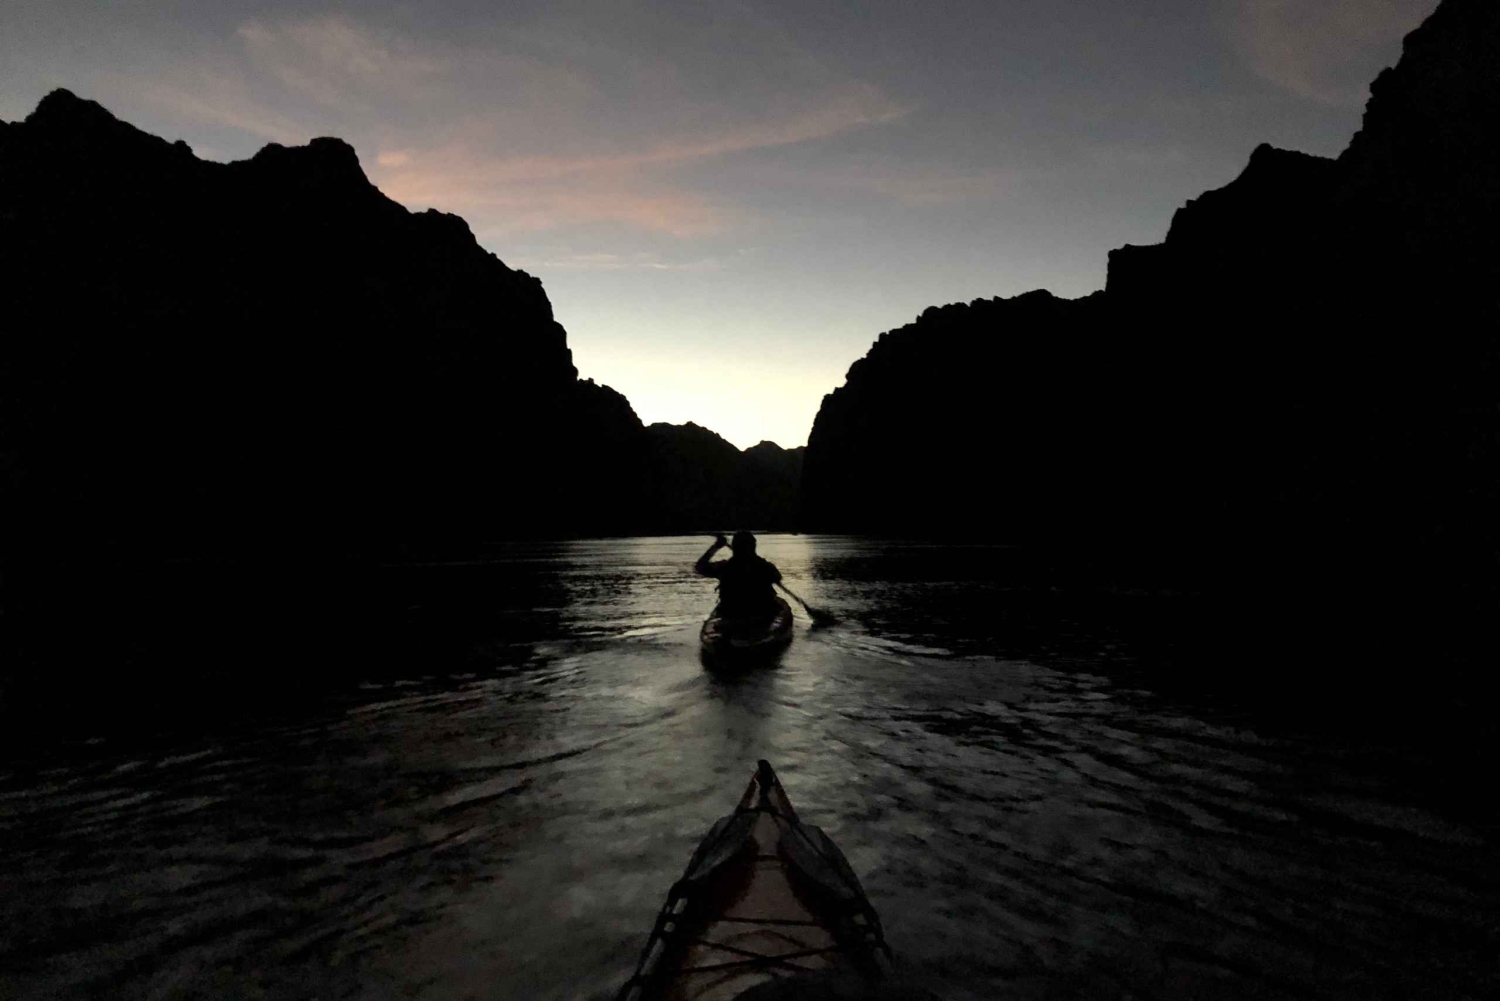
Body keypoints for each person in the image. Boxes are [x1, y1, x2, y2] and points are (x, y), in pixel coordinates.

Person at [695, 531, 782, 618]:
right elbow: (777, 577)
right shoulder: (765, 566)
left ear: (735, 548)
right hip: (761, 612)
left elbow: (700, 567)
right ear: (753, 547)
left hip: (731, 613)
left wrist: (716, 547)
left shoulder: (724, 567)